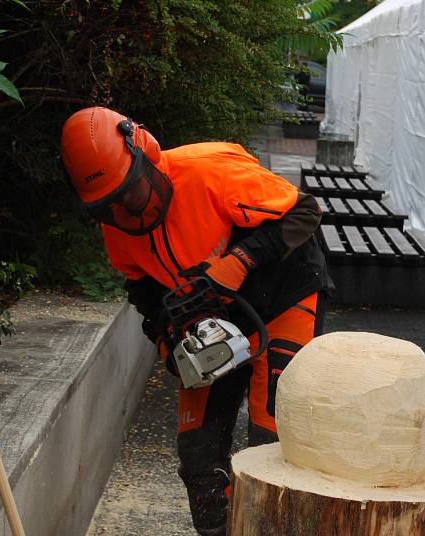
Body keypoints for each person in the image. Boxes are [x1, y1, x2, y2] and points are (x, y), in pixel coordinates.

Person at [60, 106, 332, 535]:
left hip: (284, 290)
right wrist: (166, 337)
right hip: (215, 319)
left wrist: (239, 260)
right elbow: (143, 289)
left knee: (274, 437)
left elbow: (304, 212)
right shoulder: (119, 226)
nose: (128, 209)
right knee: (198, 453)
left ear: (144, 155)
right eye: (112, 205)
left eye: (131, 192)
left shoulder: (208, 172)